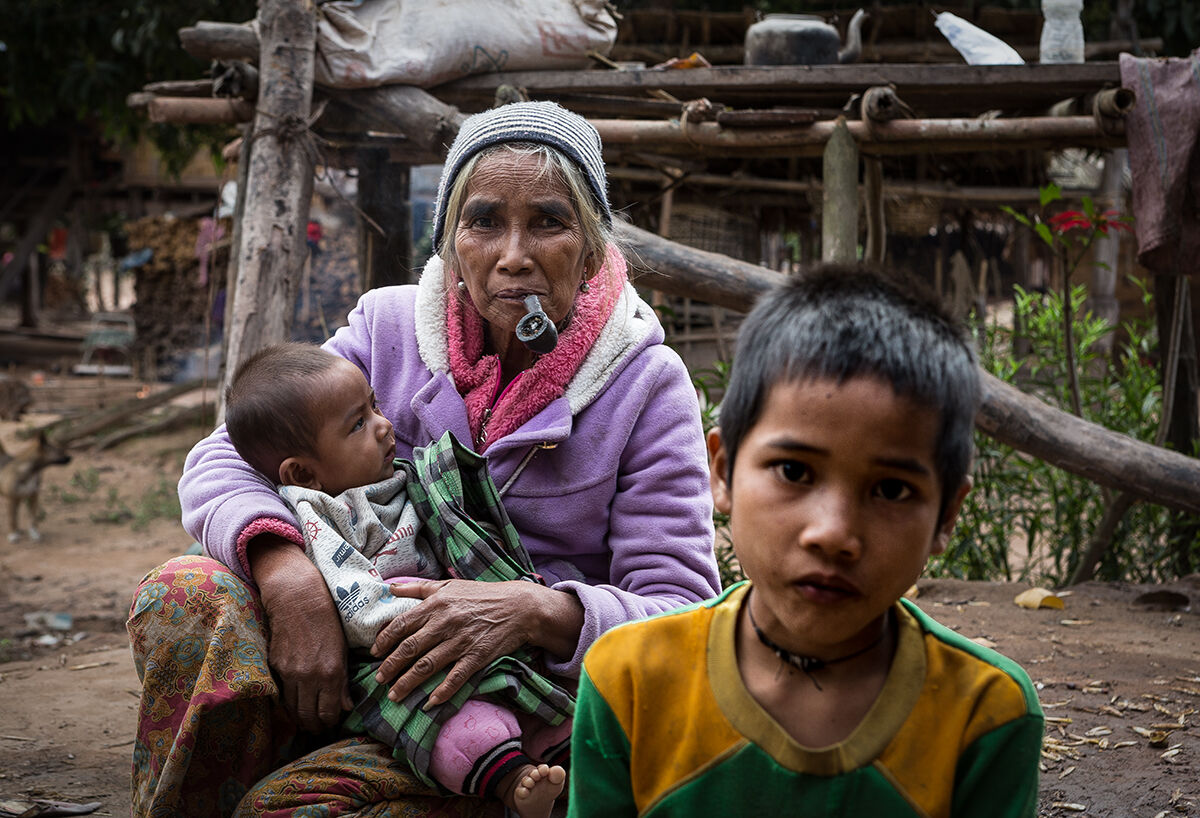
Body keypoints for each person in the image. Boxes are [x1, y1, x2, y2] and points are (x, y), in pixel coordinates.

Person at [126, 99, 721, 817]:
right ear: (449, 240)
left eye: (549, 222)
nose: (512, 255)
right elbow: (228, 457)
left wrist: (534, 611)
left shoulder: (646, 385)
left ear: (592, 247)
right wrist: (287, 574)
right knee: (187, 591)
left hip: (516, 709)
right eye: (484, 221)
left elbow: (682, 614)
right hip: (357, 659)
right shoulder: (387, 330)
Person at [566, 267, 1045, 818]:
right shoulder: (628, 681)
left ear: (946, 516)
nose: (833, 533)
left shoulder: (986, 716)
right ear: (720, 472)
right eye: (794, 471)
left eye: (891, 489)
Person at [224, 342, 572, 818]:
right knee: (460, 726)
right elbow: (359, 606)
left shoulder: (400, 480)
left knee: (547, 711)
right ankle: (513, 784)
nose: (385, 424)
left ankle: (564, 765)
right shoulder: (323, 515)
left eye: (375, 405)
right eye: (358, 424)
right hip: (397, 658)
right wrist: (437, 619)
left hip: (469, 634)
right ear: (303, 473)